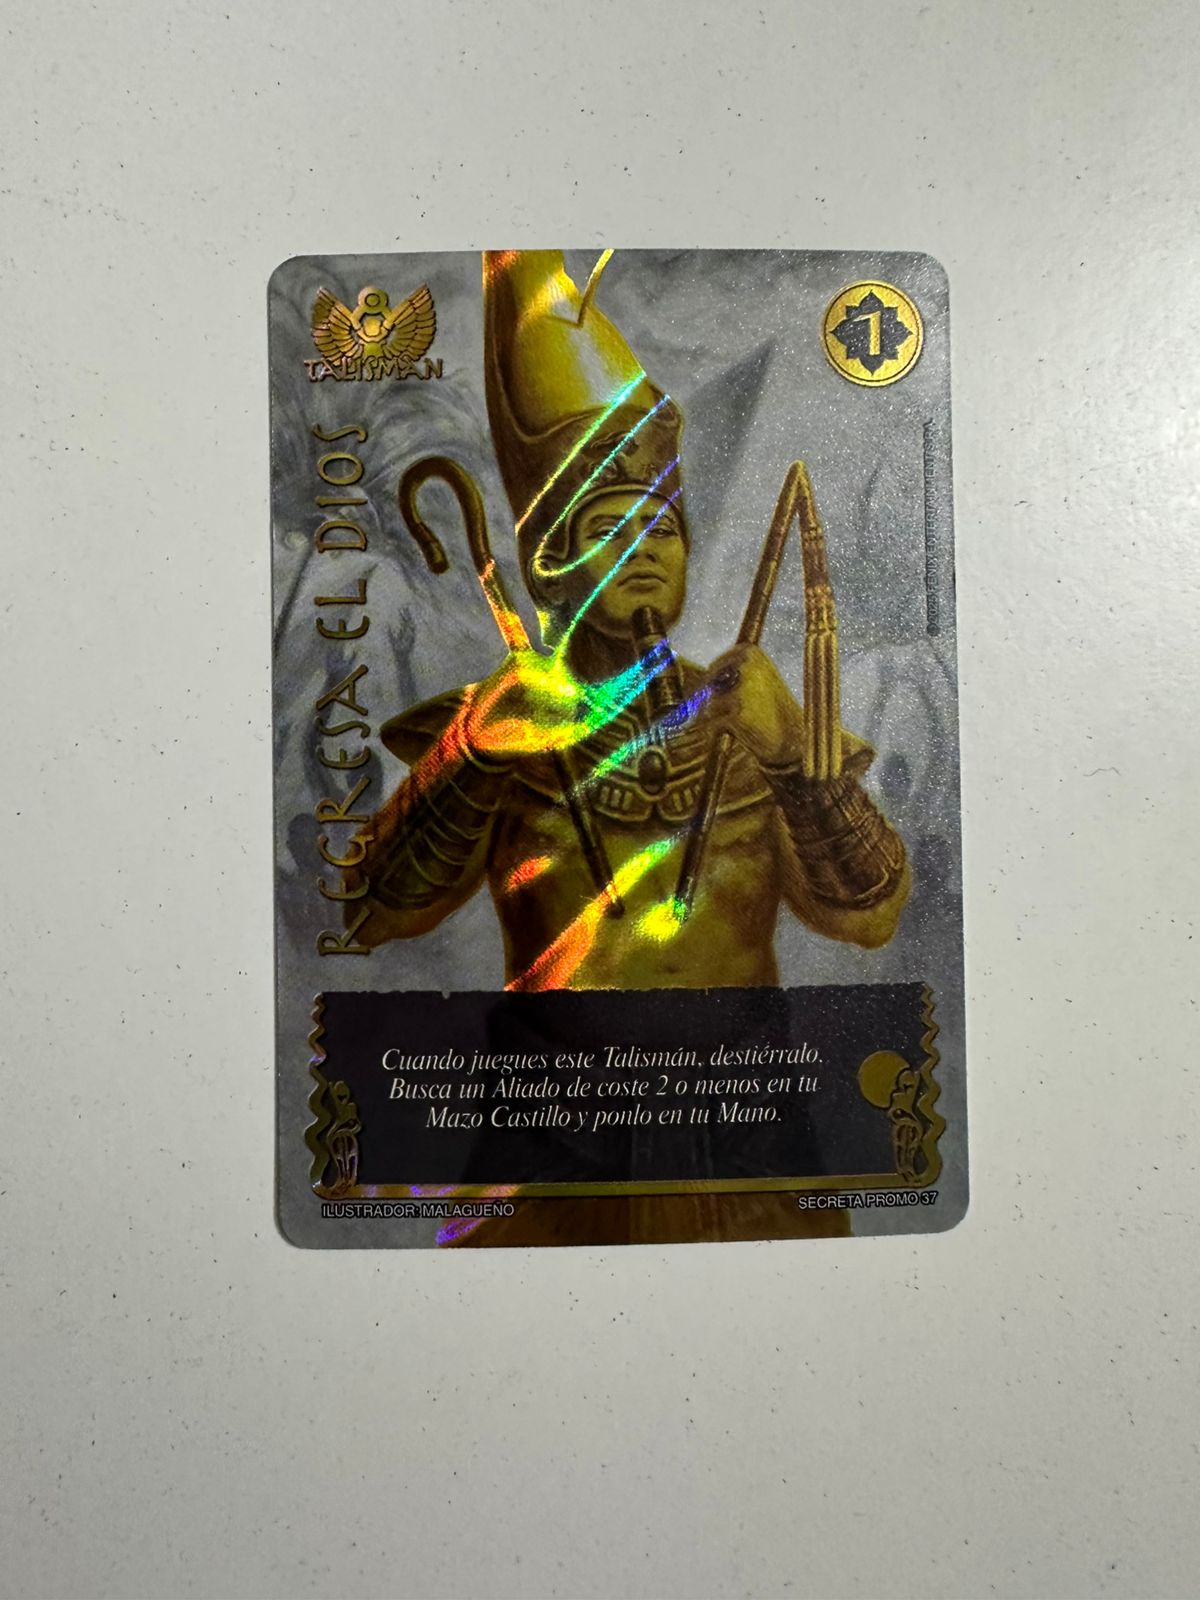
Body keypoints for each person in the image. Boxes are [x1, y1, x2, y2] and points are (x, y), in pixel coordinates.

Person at [346, 250, 910, 1243]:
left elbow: (867, 914)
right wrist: (471, 755)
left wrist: (795, 761)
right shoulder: (499, 723)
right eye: (612, 528)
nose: (647, 548)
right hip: (548, 1153)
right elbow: (373, 910)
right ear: (551, 565)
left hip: (750, 1143)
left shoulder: (757, 717)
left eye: (664, 530)